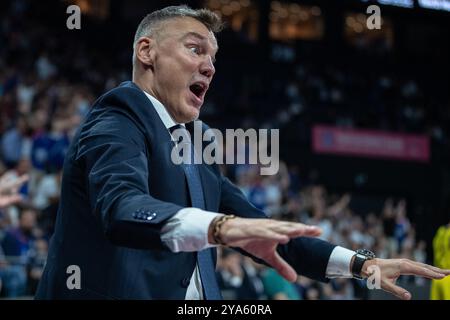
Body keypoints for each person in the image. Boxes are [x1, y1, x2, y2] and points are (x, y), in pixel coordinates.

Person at [35, 5, 449, 300]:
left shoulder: (196, 142)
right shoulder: (119, 116)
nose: (210, 67)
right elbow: (122, 206)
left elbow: (265, 230)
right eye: (195, 49)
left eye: (214, 57)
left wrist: (362, 265)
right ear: (147, 53)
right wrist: (219, 228)